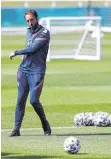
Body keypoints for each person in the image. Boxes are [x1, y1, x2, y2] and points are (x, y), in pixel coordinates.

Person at [9, 10, 51, 136]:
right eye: (27, 20)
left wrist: (16, 52)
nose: (30, 22)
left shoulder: (44, 32)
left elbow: (33, 49)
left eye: (31, 19)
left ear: (37, 18)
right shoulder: (28, 31)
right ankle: (16, 130)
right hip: (23, 71)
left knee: (33, 101)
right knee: (20, 100)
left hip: (37, 71)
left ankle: (45, 124)